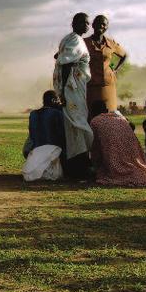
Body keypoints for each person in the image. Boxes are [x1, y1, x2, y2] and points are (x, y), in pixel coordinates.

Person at [90, 101, 146, 187]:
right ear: (106, 109)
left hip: (116, 161)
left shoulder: (95, 121)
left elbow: (95, 147)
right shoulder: (119, 117)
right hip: (135, 158)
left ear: (92, 112)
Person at [53, 13, 93, 175]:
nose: (87, 25)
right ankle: (79, 164)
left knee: (74, 123)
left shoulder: (69, 39)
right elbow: (66, 64)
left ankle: (76, 163)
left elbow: (59, 57)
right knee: (77, 122)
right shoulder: (75, 40)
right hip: (72, 88)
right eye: (84, 22)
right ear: (74, 24)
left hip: (75, 86)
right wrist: (62, 91)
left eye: (88, 23)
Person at [85, 15, 127, 112]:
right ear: (93, 25)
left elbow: (124, 55)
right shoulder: (84, 43)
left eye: (104, 24)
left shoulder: (111, 43)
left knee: (110, 113)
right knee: (92, 114)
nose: (101, 26)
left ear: (107, 27)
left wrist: (116, 70)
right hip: (90, 85)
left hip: (108, 84)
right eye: (99, 23)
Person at [23, 90, 66, 158]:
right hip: (51, 152)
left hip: (33, 151)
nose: (59, 102)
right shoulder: (56, 113)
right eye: (57, 100)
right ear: (53, 100)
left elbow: (32, 133)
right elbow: (62, 135)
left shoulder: (33, 114)